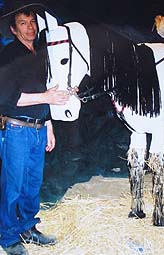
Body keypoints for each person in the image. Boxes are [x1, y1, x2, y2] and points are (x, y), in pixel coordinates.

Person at [0, 1, 70, 254]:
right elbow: (7, 98)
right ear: (13, 29)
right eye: (23, 23)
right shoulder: (9, 56)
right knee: (13, 186)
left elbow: (45, 92)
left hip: (39, 129)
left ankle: (28, 227)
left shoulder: (39, 54)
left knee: (32, 184)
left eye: (32, 22)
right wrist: (47, 98)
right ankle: (8, 237)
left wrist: (49, 127)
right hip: (16, 130)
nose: (30, 28)